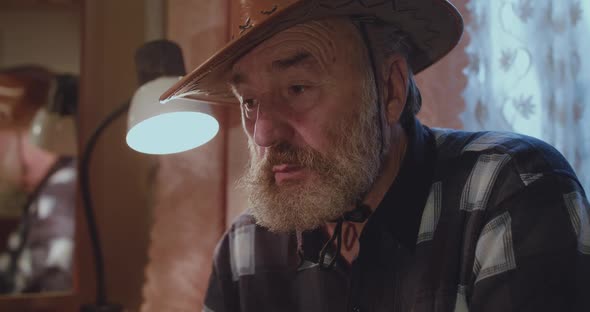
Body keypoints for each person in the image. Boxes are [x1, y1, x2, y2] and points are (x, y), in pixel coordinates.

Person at [161, 1, 590, 311]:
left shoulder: (511, 190)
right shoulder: (245, 250)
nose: (264, 131)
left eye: (297, 88)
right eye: (249, 101)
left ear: (389, 89)